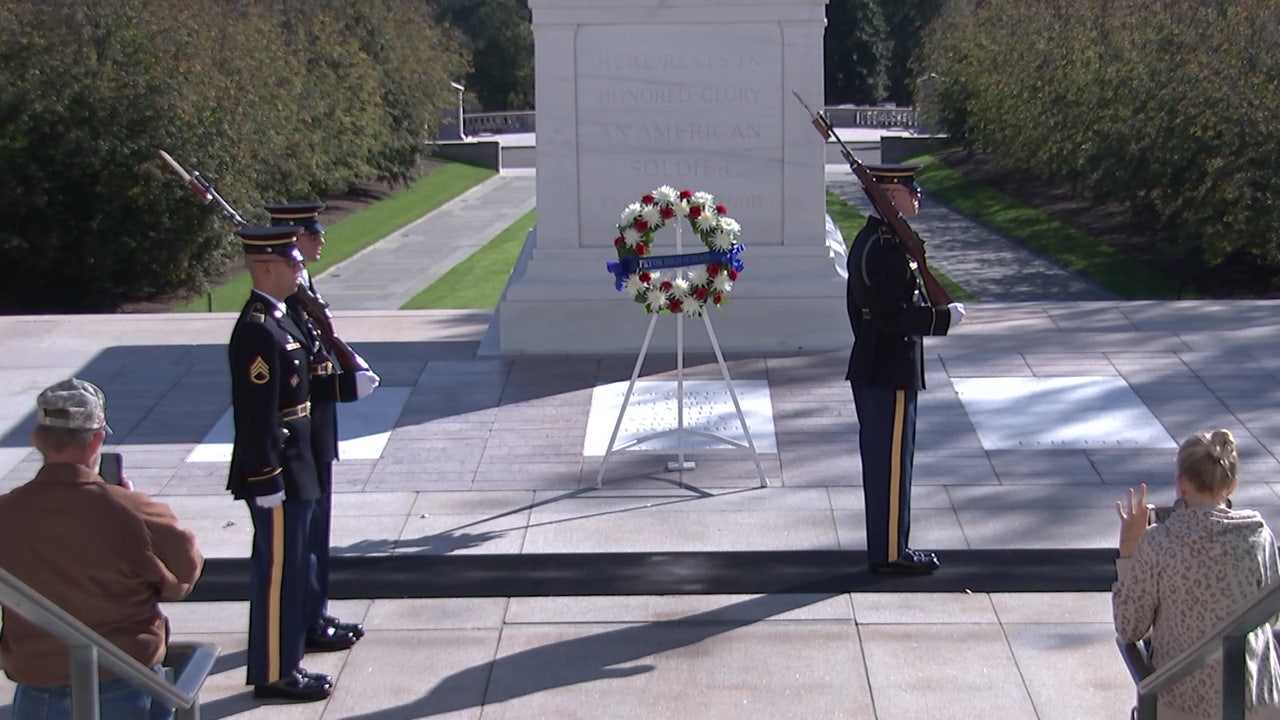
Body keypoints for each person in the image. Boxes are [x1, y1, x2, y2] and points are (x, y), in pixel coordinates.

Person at [0, 378, 204, 720]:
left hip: (35, 694)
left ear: (36, 439)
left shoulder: (6, 513)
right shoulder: (133, 511)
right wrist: (129, 501)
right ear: (97, 439)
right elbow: (183, 576)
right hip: (126, 688)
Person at [264, 201, 379, 652]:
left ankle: (317, 612)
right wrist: (345, 382)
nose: (320, 240)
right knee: (305, 536)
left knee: (318, 530)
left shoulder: (301, 294)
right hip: (302, 438)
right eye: (312, 234)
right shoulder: (281, 309)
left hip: (317, 430)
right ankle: (307, 620)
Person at [227, 225, 332, 702]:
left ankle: (288, 661)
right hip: (279, 472)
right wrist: (264, 475)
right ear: (266, 268)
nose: (299, 267)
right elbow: (256, 414)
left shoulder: (281, 319)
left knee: (292, 570)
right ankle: (273, 673)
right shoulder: (255, 330)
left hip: (298, 464)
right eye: (292, 262)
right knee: (276, 576)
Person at [845, 164, 965, 575]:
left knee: (885, 465)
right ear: (889, 194)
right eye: (910, 189)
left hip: (874, 365)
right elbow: (891, 317)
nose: (917, 196)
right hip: (889, 371)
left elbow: (859, 314)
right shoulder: (888, 249)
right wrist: (941, 320)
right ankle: (893, 554)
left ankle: (888, 547)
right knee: (892, 466)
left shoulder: (872, 240)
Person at [1113, 430, 1280, 720]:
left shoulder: (1159, 542)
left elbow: (1128, 627)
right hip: (1254, 702)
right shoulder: (1257, 536)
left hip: (1180, 705)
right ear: (1232, 485)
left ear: (1181, 483)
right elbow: (1268, 614)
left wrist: (1130, 547)